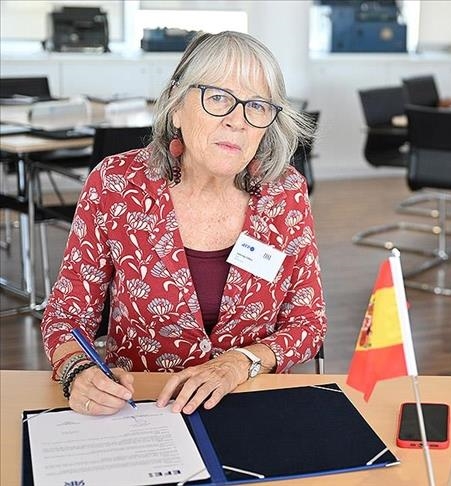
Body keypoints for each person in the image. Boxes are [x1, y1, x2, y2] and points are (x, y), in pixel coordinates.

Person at [41, 31, 326, 417]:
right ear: (177, 106)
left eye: (257, 105)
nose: (237, 122)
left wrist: (241, 362)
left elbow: (308, 321)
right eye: (218, 98)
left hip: (250, 404)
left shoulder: (284, 192)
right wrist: (78, 370)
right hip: (142, 408)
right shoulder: (116, 184)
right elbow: (66, 313)